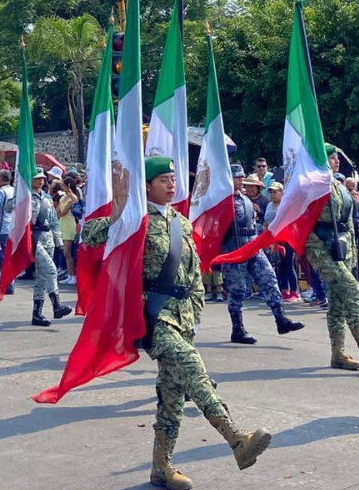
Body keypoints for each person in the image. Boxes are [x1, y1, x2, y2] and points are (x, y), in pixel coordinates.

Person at [82, 157, 271, 488]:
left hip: (183, 317)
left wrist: (194, 313)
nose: (171, 184)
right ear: (147, 186)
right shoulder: (133, 219)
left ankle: (161, 466)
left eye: (173, 178)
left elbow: (193, 272)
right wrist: (121, 210)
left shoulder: (180, 222)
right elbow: (90, 234)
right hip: (154, 317)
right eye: (163, 180)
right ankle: (237, 439)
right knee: (194, 370)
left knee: (171, 398)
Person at [305, 144, 359, 370]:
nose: (336, 161)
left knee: (337, 303)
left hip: (343, 248)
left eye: (337, 157)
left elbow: (348, 221)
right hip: (321, 247)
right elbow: (303, 220)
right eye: (331, 158)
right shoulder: (313, 186)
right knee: (351, 289)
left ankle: (337, 354)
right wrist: (316, 248)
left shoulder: (338, 185)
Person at [222, 165, 304, 344]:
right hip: (234, 249)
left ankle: (281, 319)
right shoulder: (222, 200)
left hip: (252, 245)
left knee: (269, 279)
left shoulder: (244, 199)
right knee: (237, 290)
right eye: (237, 177)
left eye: (242, 177)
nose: (241, 180)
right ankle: (237, 329)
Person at [29, 168, 72, 326]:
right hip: (34, 239)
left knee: (41, 277)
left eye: (42, 178)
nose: (40, 181)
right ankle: (57, 305)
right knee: (51, 270)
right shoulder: (25, 197)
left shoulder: (47, 198)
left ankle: (37, 314)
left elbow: (54, 222)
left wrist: (59, 242)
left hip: (48, 239)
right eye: (37, 178)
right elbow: (9, 209)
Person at [265, 182, 301, 303]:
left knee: (288, 264)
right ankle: (284, 290)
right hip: (273, 239)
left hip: (286, 238)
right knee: (279, 265)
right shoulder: (269, 205)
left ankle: (294, 291)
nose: (273, 194)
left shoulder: (286, 205)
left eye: (275, 192)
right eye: (271, 192)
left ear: (282, 192)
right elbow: (266, 222)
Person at [56, 175, 80, 286]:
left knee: (68, 252)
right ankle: (70, 275)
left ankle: (73, 275)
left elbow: (63, 212)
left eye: (64, 185)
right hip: (62, 224)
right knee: (65, 253)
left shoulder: (72, 197)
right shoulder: (63, 197)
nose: (62, 187)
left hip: (69, 225)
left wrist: (57, 215)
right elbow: (58, 209)